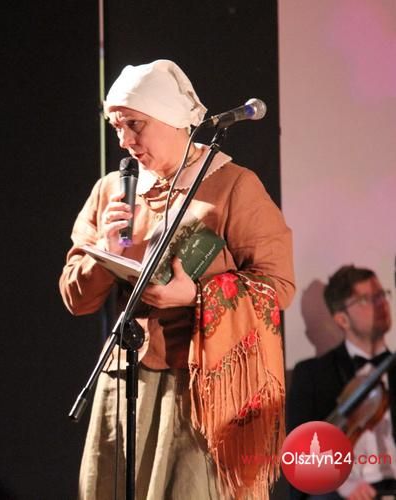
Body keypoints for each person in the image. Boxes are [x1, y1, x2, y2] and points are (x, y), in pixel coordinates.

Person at [59, 60, 295, 499]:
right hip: (126, 379)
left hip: (201, 384)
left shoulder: (233, 186)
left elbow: (277, 286)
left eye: (135, 125)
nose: (124, 140)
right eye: (116, 127)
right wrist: (104, 255)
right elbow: (77, 298)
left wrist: (198, 296)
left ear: (170, 119)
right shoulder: (112, 190)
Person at [287, 265, 395, 500]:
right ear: (342, 319)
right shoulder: (312, 374)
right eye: (366, 299)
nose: (381, 304)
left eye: (381, 295)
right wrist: (343, 484)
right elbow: (298, 455)